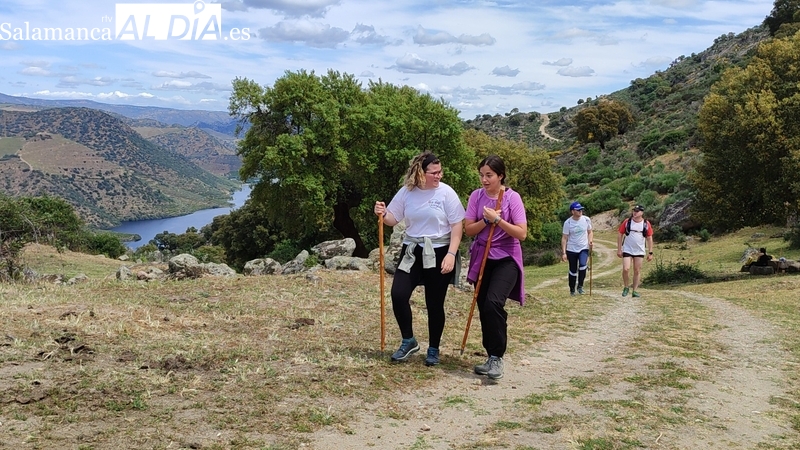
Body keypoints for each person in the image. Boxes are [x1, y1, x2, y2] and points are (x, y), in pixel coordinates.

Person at [373, 151, 465, 366]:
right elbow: (393, 219)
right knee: (398, 294)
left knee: (434, 303)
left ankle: (433, 348)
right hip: (412, 250)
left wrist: (451, 254)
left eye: (440, 172)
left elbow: (457, 226)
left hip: (440, 250)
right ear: (420, 173)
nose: (439, 176)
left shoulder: (446, 193)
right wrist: (382, 212)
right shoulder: (407, 192)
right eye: (434, 172)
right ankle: (409, 340)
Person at [464, 155, 527, 381]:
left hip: (507, 258)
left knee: (493, 302)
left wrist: (499, 221)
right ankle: (491, 355)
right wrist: (486, 221)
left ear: (501, 176)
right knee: (483, 305)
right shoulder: (476, 196)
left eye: (489, 175)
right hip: (483, 257)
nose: (484, 179)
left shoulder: (512, 198)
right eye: (481, 175)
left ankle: (497, 357)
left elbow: (521, 233)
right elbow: (469, 229)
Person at [616, 204, 654, 297]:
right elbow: (620, 234)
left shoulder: (646, 223)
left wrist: (650, 252)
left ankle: (635, 290)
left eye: (637, 211)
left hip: (639, 250)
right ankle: (626, 287)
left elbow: (649, 238)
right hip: (627, 249)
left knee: (637, 270)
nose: (635, 213)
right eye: (634, 211)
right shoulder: (627, 222)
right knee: (626, 269)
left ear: (642, 212)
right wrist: (619, 249)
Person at [561, 201, 593, 296]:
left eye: (581, 209)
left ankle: (580, 286)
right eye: (578, 210)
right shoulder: (568, 223)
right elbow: (564, 237)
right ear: (572, 211)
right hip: (571, 249)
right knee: (573, 270)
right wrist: (564, 252)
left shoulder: (586, 220)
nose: (580, 211)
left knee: (583, 265)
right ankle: (572, 289)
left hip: (583, 247)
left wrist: (590, 241)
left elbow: (590, 232)